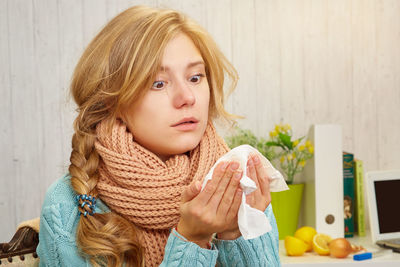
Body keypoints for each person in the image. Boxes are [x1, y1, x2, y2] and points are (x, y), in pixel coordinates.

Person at [36, 5, 281, 267]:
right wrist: (192, 240)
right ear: (111, 101)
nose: (187, 97)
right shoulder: (66, 206)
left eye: (196, 77)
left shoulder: (235, 182)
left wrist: (236, 232)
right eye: (158, 83)